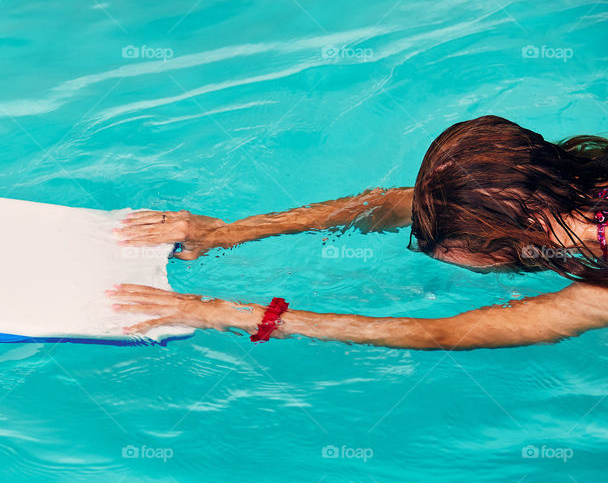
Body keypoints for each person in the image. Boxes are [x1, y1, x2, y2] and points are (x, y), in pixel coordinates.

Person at [108, 115, 608, 350]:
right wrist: (228, 233)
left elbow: (443, 332)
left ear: (523, 226)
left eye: (456, 247)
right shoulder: (562, 186)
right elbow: (387, 203)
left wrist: (230, 314)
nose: (431, 248)